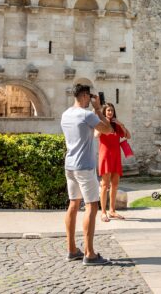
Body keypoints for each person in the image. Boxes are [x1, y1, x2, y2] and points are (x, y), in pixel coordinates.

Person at [60, 84, 114, 265]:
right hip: (85, 166)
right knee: (92, 206)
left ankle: (71, 249)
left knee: (73, 204)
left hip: (70, 165)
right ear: (84, 95)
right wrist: (98, 109)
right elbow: (108, 129)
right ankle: (90, 253)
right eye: (89, 96)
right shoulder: (87, 115)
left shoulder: (65, 114)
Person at [95, 102, 131, 222]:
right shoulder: (101, 124)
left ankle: (112, 210)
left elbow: (128, 136)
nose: (110, 112)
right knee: (104, 185)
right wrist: (105, 123)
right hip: (105, 156)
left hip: (116, 157)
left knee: (115, 184)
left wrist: (121, 124)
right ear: (104, 112)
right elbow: (96, 135)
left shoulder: (117, 126)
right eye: (108, 110)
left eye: (112, 110)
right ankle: (103, 212)